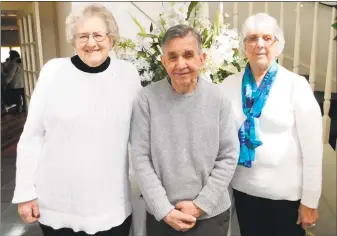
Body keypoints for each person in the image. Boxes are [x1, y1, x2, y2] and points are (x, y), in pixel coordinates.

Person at [12, 3, 141, 236]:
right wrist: (26, 193)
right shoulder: (53, 72)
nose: (91, 43)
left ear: (111, 38)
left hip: (110, 203)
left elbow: (140, 137)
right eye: (83, 36)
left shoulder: (128, 75)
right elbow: (32, 137)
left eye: (98, 35)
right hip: (58, 203)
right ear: (73, 40)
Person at [131, 24, 240, 236]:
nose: (181, 64)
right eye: (172, 57)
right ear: (163, 62)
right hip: (163, 216)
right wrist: (164, 209)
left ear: (202, 58)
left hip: (211, 216)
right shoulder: (147, 99)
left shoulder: (218, 99)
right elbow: (141, 158)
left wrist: (201, 205)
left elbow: (228, 156)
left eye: (188, 55)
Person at [220, 13, 323, 236]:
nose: (260, 45)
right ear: (243, 45)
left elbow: (313, 150)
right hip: (244, 192)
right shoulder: (228, 85)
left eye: (267, 38)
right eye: (252, 38)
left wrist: (310, 200)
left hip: (286, 198)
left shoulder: (296, 85)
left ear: (278, 45)